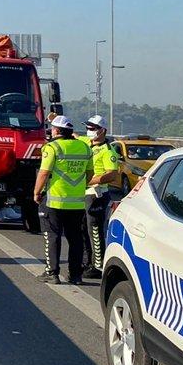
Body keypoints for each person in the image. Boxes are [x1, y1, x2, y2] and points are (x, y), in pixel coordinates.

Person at [32, 115, 94, 284]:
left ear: (57, 131)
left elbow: (44, 172)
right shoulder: (84, 147)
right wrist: (79, 186)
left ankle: (52, 273)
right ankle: (75, 275)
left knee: (52, 236)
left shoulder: (52, 147)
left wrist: (37, 192)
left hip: (55, 201)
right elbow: (90, 173)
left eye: (52, 128)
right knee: (75, 239)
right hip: (77, 202)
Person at [82, 114, 124, 280]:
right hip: (84, 193)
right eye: (88, 128)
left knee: (95, 230)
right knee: (84, 229)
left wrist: (91, 180)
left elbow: (112, 174)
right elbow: (74, 137)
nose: (89, 131)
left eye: (92, 128)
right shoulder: (87, 143)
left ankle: (98, 266)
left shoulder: (108, 151)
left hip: (96, 193)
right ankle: (88, 261)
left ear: (103, 131)